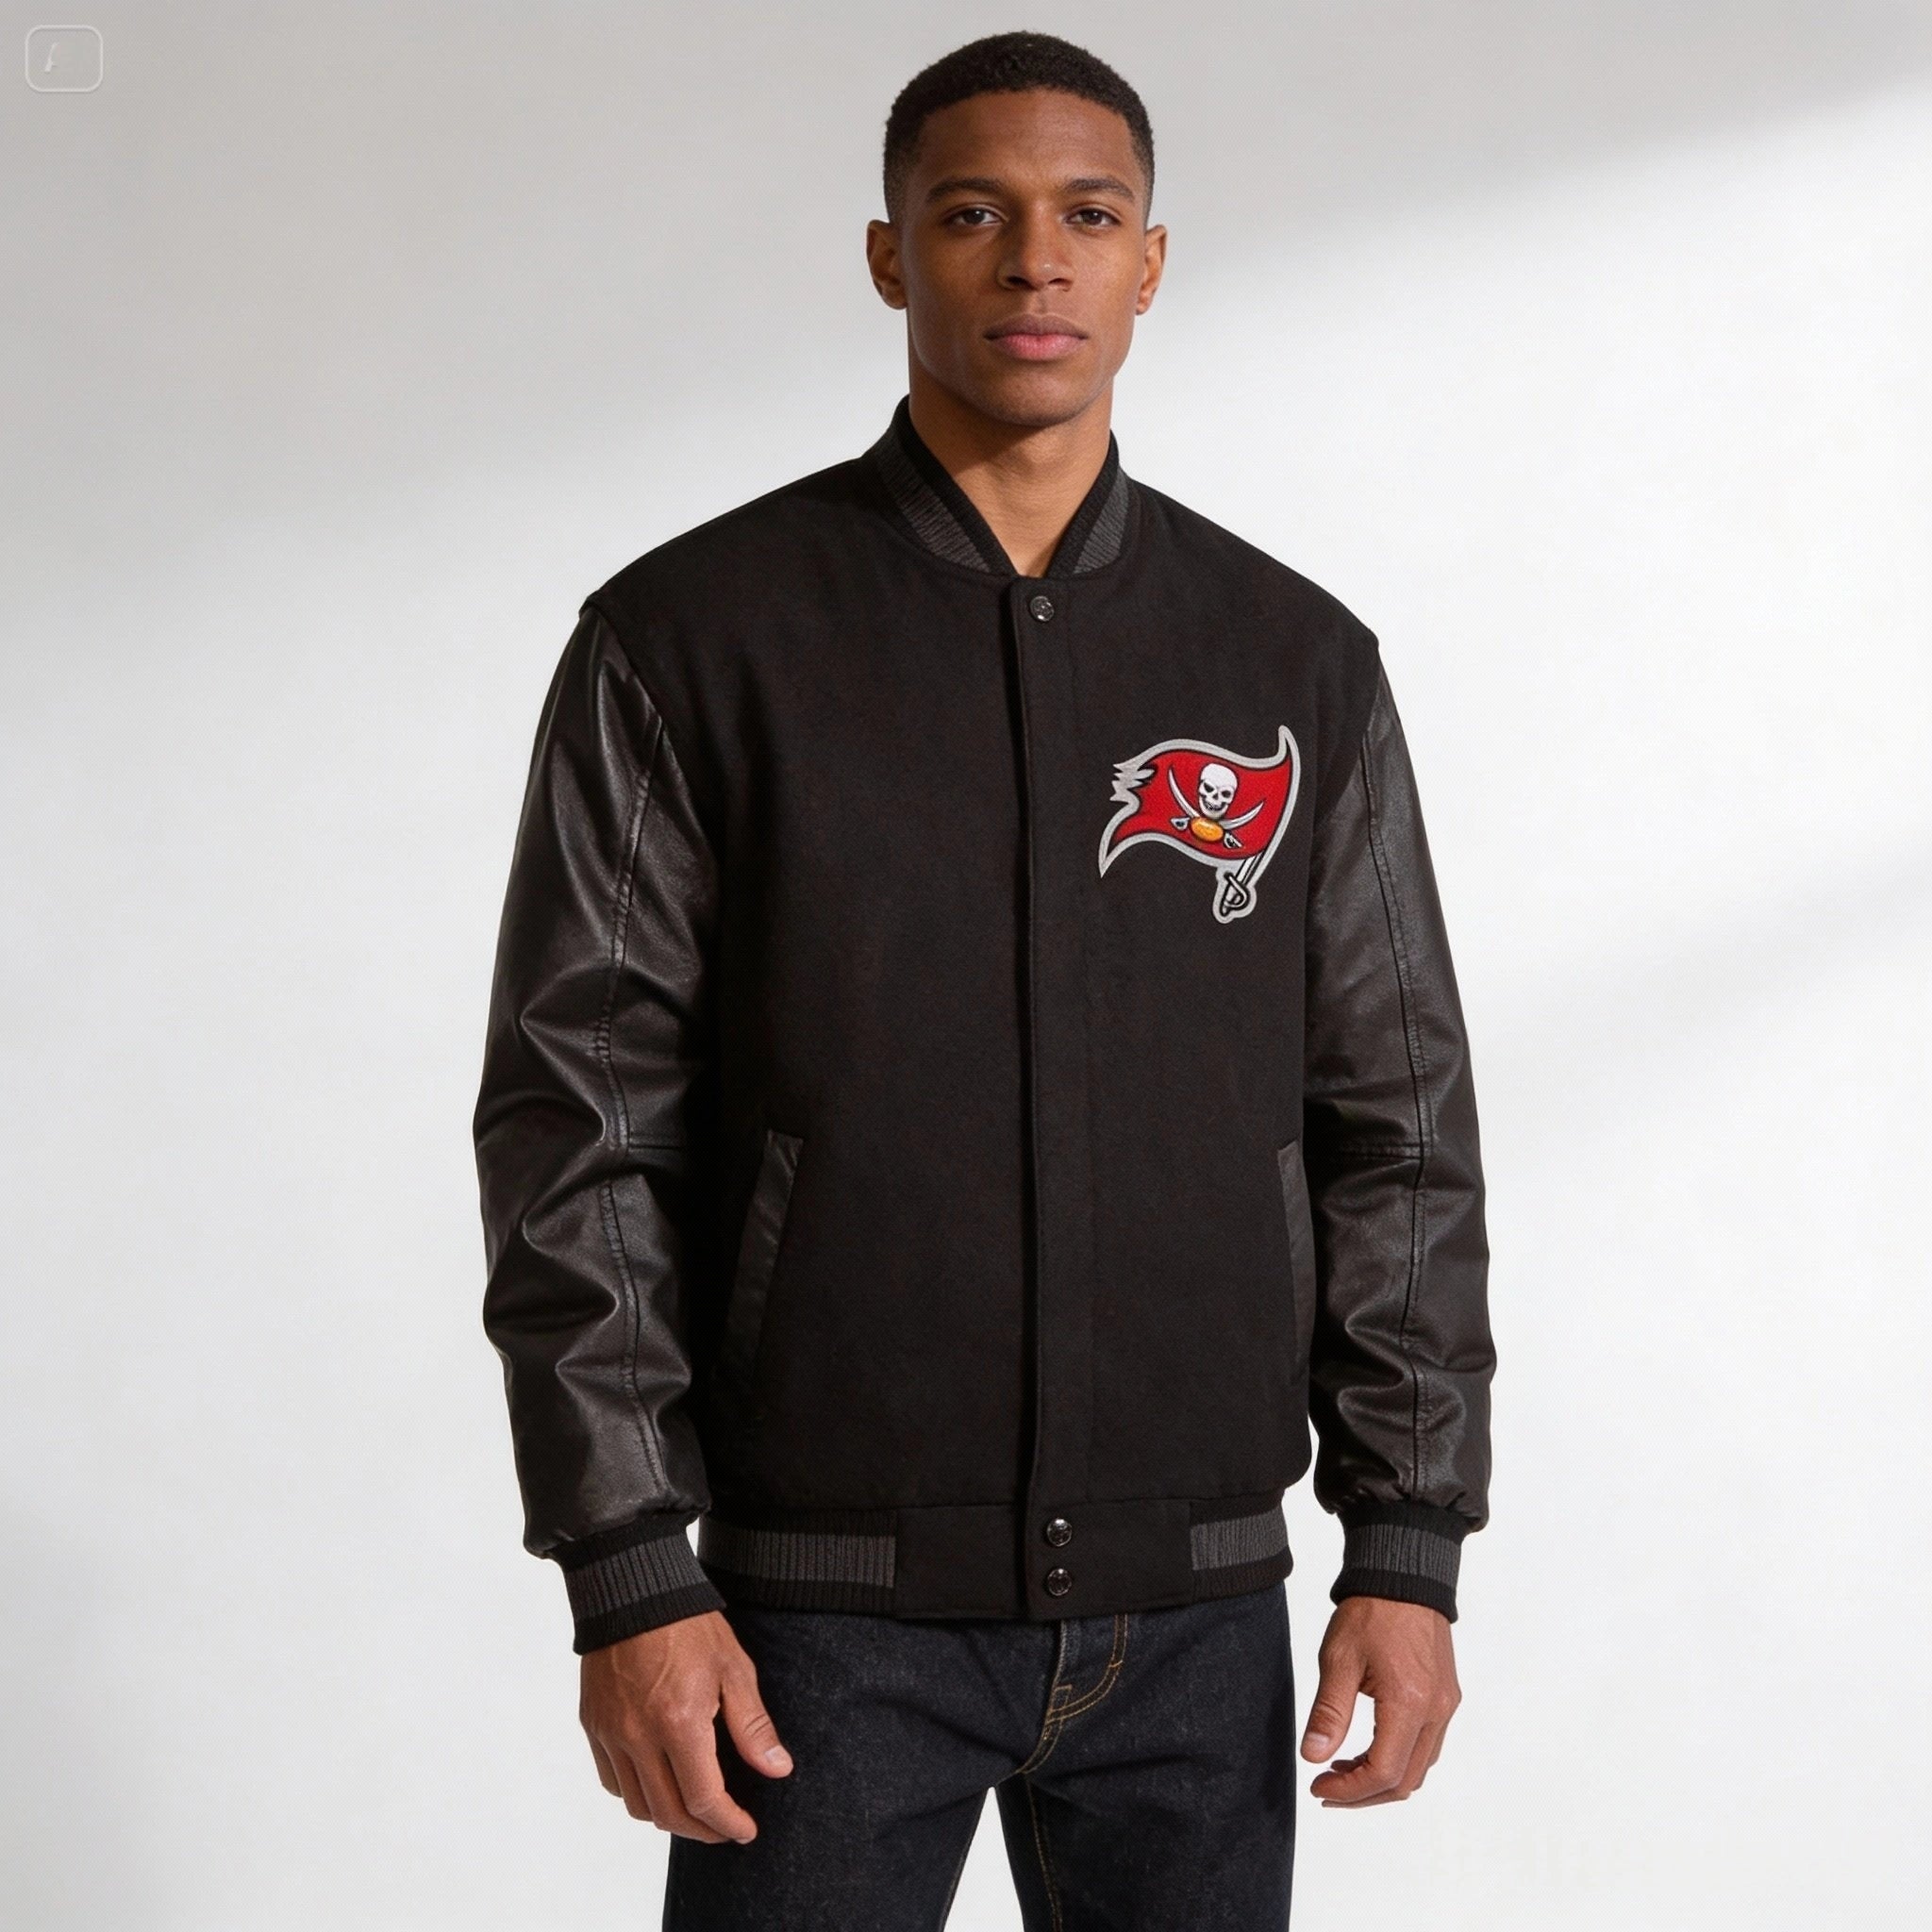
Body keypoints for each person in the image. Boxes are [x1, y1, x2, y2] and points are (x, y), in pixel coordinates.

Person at [473, 28, 1494, 1929]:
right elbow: (577, 1127)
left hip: (1201, 1626)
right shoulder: (696, 639)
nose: (1036, 260)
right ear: (891, 255)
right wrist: (629, 1572)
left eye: (1087, 216)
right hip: (814, 1631)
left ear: (1148, 262)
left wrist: (1407, 1541)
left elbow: (1399, 1125)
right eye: (973, 214)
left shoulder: (1291, 660)